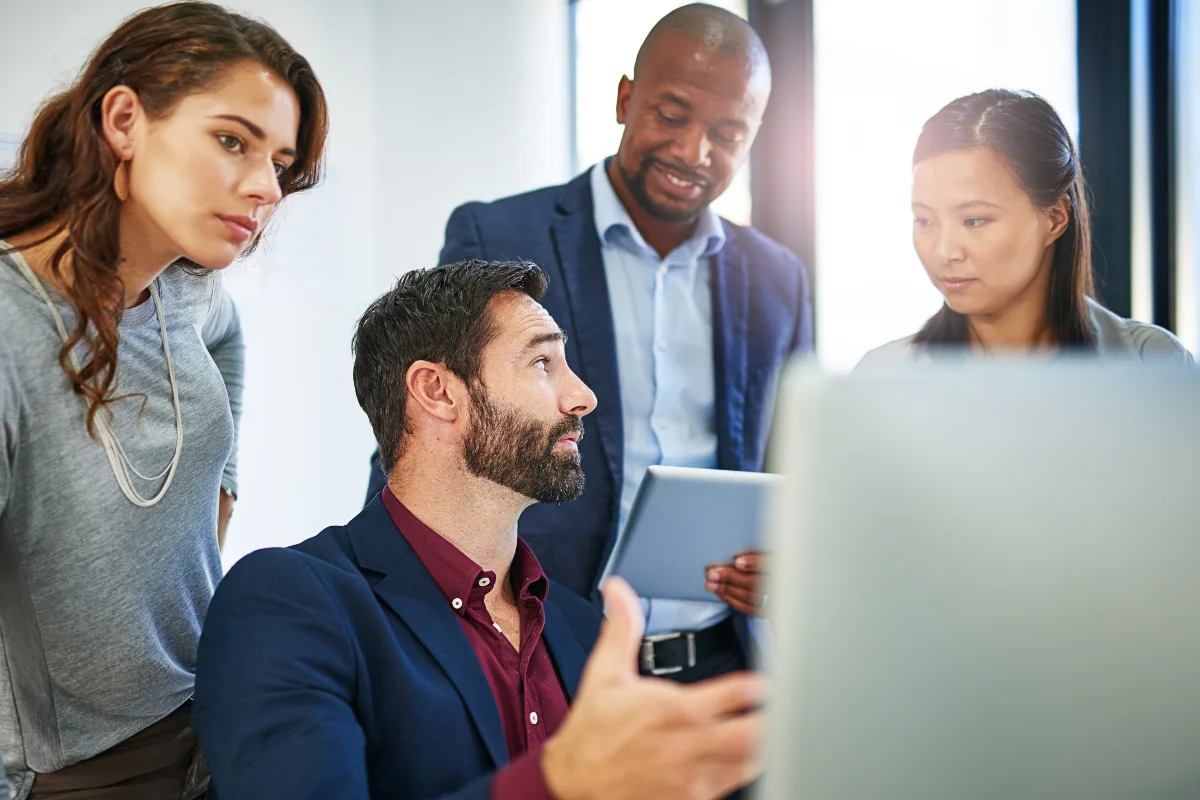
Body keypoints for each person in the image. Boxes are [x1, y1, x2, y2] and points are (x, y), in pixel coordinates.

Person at [192, 260, 766, 800]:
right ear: (437, 391)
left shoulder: (588, 632)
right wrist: (562, 778)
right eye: (543, 364)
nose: (583, 397)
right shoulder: (287, 601)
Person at [365, 2, 812, 683]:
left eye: (728, 133)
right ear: (625, 99)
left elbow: (795, 470)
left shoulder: (778, 281)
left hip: (724, 667)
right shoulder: (500, 237)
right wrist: (382, 626)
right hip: (543, 660)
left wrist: (787, 557)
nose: (695, 152)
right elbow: (420, 438)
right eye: (672, 113)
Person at [0, 3, 327, 797]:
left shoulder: (184, 285)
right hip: (76, 773)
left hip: (206, 712)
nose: (266, 188)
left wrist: (218, 481)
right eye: (231, 140)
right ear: (124, 120)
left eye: (280, 161)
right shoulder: (10, 327)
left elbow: (224, 341)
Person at [859, 89, 1192, 365]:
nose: (944, 252)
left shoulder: (1153, 363)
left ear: (1055, 218)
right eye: (926, 220)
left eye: (974, 220)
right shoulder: (881, 378)